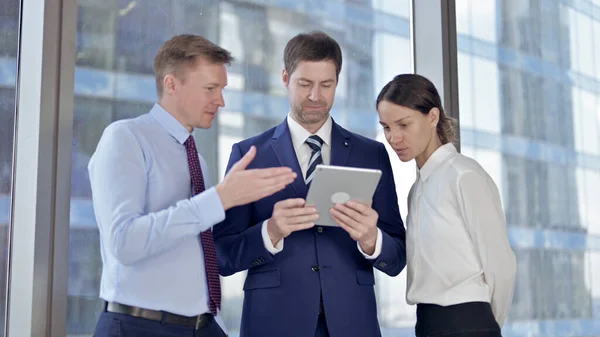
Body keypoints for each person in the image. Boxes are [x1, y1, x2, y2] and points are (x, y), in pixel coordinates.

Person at [89, 34, 297, 337]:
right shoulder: (125, 138)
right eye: (211, 88)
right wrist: (219, 199)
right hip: (139, 327)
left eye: (222, 89)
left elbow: (195, 251)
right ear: (171, 84)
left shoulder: (195, 158)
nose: (221, 101)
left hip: (200, 325)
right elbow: (125, 242)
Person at [213, 31, 406, 337]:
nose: (316, 96)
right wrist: (270, 231)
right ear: (285, 78)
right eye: (305, 84)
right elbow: (222, 255)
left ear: (337, 82)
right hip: (273, 323)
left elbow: (396, 257)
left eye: (326, 85)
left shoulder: (372, 154)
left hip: (352, 324)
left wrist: (371, 239)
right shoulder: (250, 154)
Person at [376, 73, 517, 337]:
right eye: (386, 127)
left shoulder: (464, 175)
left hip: (468, 321)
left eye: (404, 125)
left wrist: (484, 324)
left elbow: (501, 265)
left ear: (432, 117)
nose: (394, 138)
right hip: (428, 322)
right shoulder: (417, 189)